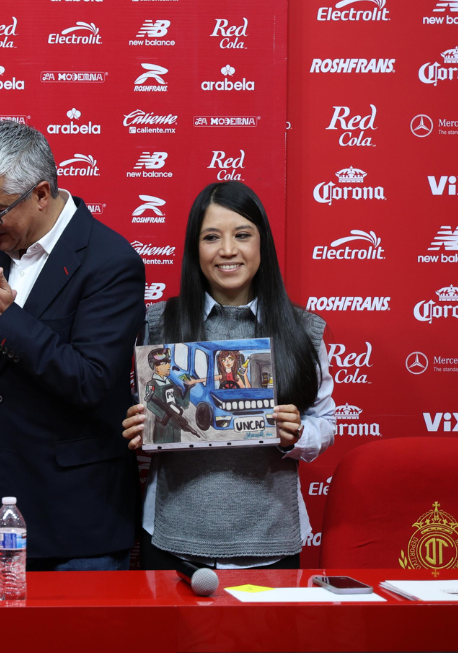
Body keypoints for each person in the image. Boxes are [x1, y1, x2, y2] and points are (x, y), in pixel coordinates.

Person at [0, 121, 145, 572]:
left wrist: (7, 322)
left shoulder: (111, 261)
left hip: (77, 521)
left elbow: (92, 381)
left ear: (41, 194)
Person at [122, 180, 336, 570]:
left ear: (261, 244)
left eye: (241, 235)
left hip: (271, 539)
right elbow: (148, 419)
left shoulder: (303, 329)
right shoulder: (158, 323)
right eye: (211, 237)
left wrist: (298, 434)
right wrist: (143, 428)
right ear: (195, 248)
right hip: (173, 538)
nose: (227, 251)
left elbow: (325, 423)